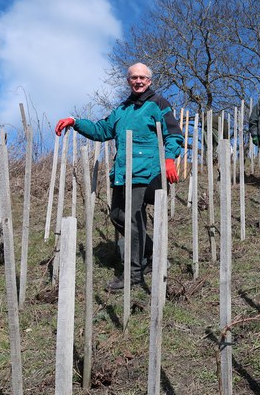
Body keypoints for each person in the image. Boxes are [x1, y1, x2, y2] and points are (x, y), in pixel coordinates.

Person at [55, 62, 183, 292]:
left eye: (143, 77)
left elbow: (173, 133)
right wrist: (75, 122)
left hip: (145, 171)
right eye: (134, 77)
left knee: (134, 221)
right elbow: (102, 130)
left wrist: (170, 159)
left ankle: (134, 275)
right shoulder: (122, 110)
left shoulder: (159, 104)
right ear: (128, 81)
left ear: (150, 81)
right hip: (123, 174)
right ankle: (152, 254)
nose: (138, 81)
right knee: (117, 216)